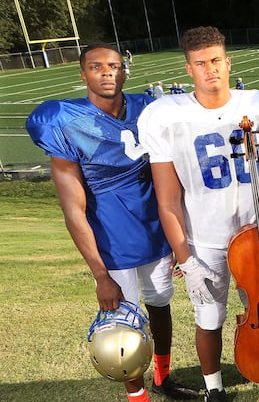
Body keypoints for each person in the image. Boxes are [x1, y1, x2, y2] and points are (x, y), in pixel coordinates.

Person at [25, 43, 199, 402]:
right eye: (98, 66)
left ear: (125, 70)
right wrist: (100, 275)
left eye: (115, 66)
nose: (108, 73)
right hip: (110, 236)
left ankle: (163, 378)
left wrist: (180, 239)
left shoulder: (147, 108)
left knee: (161, 305)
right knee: (122, 328)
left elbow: (172, 176)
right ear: (83, 73)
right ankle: (137, 396)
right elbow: (73, 209)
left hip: (154, 226)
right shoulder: (66, 120)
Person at [137, 26, 259, 402]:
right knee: (210, 319)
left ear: (228, 61)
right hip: (206, 239)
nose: (211, 70)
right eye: (201, 63)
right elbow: (168, 199)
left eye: (216, 61)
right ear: (188, 69)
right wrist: (186, 259)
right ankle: (214, 390)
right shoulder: (163, 116)